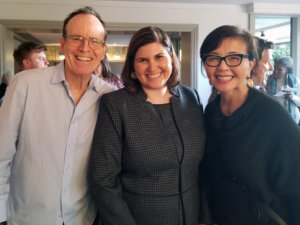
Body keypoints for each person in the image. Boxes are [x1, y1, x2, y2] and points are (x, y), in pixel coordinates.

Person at [0, 6, 114, 225]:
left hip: (83, 219)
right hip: (26, 219)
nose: (85, 47)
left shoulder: (108, 97)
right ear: (63, 43)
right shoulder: (25, 85)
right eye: (77, 38)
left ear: (103, 49)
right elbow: (1, 155)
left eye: (94, 41)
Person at [89, 26, 209, 225]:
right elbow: (102, 180)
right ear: (133, 67)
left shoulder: (191, 98)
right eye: (142, 60)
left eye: (159, 57)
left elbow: (203, 169)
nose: (152, 67)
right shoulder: (116, 104)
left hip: (191, 216)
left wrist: (205, 218)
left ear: (171, 57)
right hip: (139, 218)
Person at [200, 25, 300, 225]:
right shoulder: (210, 113)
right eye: (213, 58)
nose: (222, 67)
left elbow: (295, 189)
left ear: (250, 64)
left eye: (234, 58)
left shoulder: (272, 116)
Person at [266, 56, 300, 124]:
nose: (275, 71)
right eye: (275, 68)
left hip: (291, 117)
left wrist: (292, 97)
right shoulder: (267, 80)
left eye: (280, 70)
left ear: (287, 70)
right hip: (273, 116)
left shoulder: (295, 81)